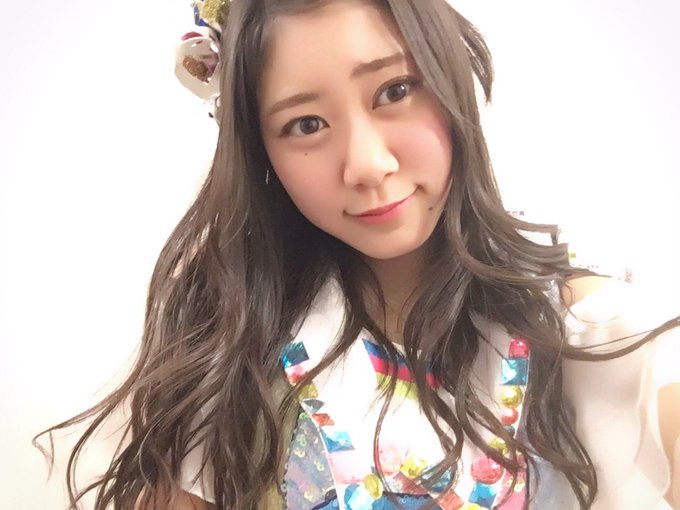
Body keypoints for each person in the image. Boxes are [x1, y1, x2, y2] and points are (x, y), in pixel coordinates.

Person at [34, 0, 680, 509]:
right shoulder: (229, 355)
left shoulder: (584, 329)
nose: (367, 164)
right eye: (306, 125)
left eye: (394, 90)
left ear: (449, 79)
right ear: (262, 154)